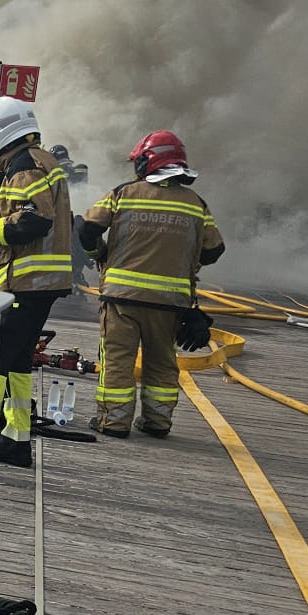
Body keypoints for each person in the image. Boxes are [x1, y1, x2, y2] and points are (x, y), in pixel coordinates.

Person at [78, 130, 225, 438]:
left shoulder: (123, 193)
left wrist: (98, 254)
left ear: (148, 162)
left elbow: (87, 229)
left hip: (121, 299)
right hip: (170, 303)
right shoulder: (196, 204)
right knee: (162, 363)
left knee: (118, 361)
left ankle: (113, 422)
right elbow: (214, 251)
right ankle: (157, 422)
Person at [0, 97, 75, 469]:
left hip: (25, 282)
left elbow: (32, 221)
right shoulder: (40, 161)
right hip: (38, 284)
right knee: (18, 364)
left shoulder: (25, 167)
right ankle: (17, 440)